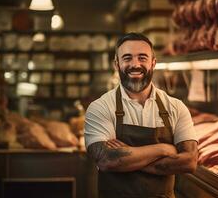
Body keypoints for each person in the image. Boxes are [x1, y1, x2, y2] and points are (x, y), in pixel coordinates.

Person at [84, 33, 198, 198]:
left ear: (153, 63)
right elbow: (106, 160)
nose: (135, 64)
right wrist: (163, 149)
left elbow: (189, 162)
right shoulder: (100, 107)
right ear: (117, 64)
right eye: (127, 58)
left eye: (142, 58)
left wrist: (127, 156)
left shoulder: (176, 107)